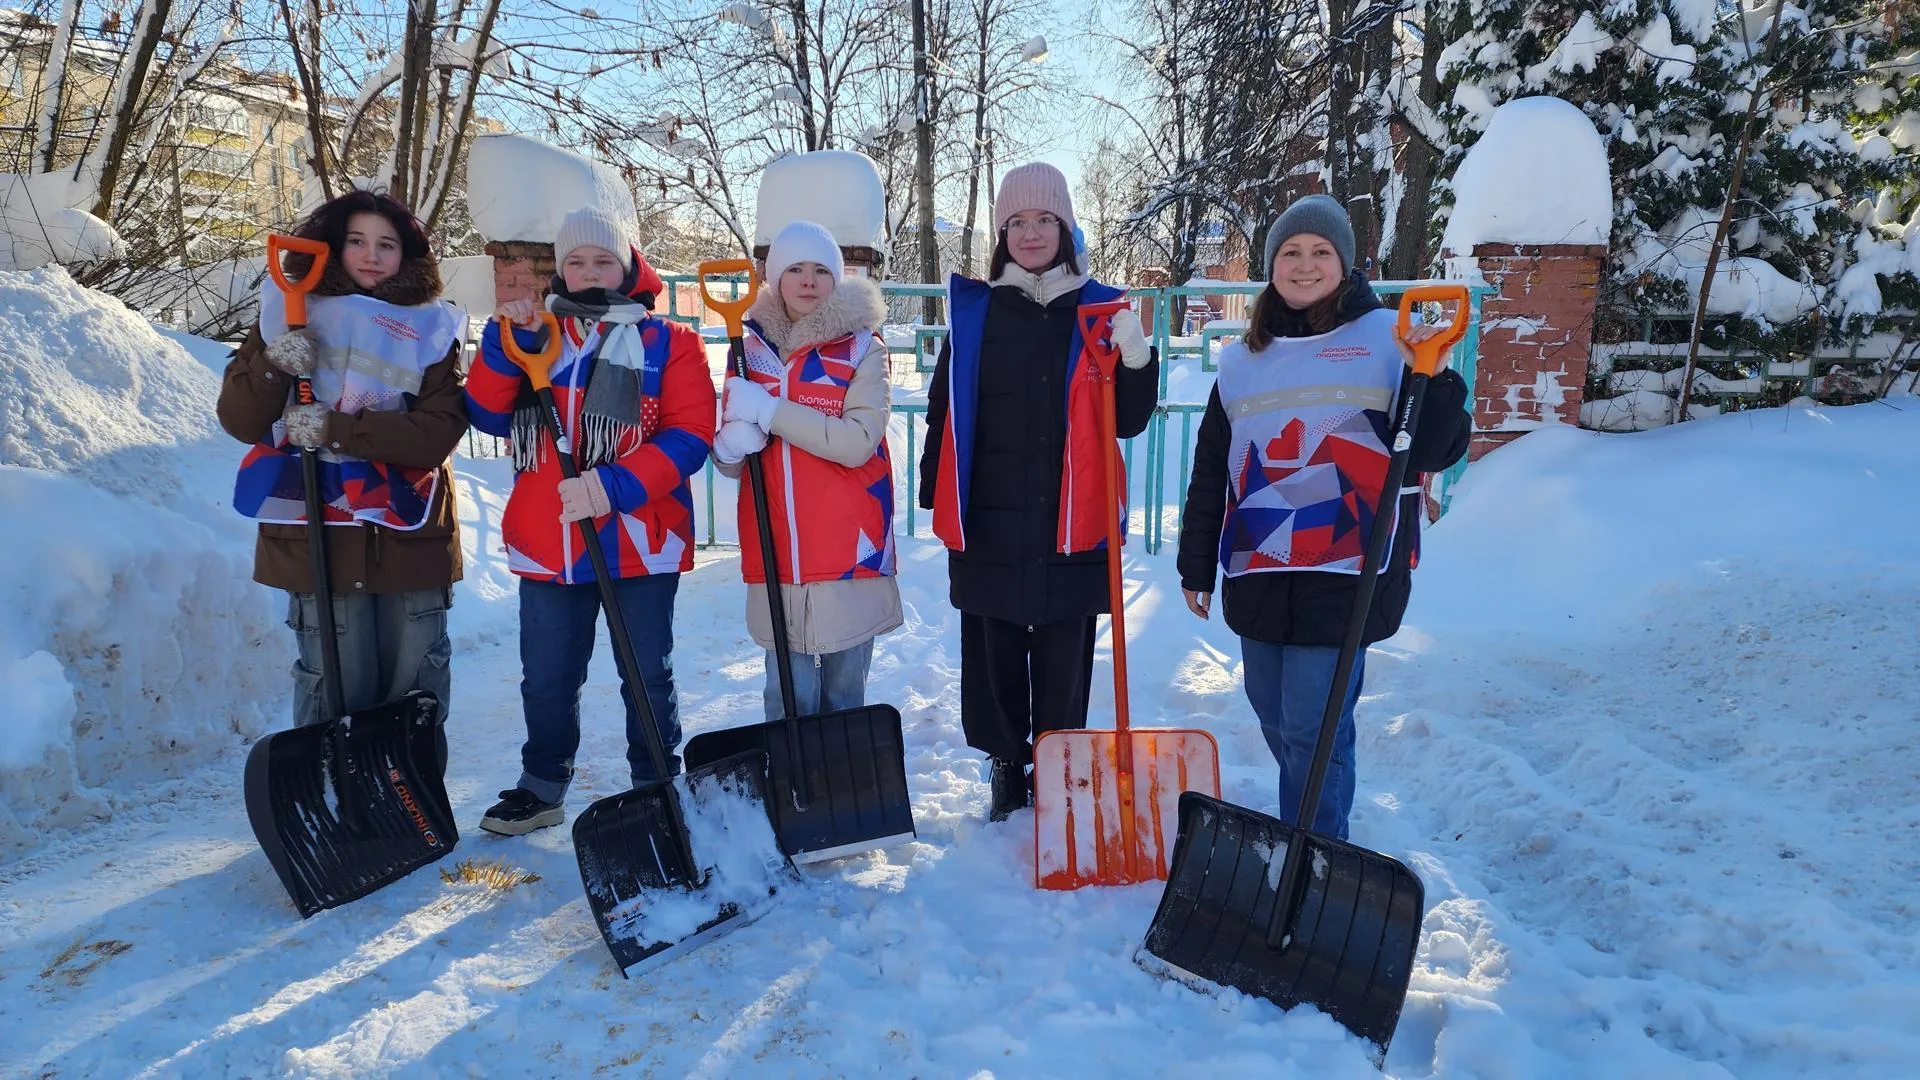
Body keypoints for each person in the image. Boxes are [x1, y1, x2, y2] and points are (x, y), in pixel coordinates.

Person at [1176, 194, 1472, 840]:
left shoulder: (1388, 341)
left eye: (1320, 252)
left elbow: (1435, 448)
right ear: (1270, 265)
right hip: (1262, 560)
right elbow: (1211, 470)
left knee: (1314, 724)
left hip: (1348, 565)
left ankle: (1313, 854)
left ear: (1345, 263)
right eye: (1290, 252)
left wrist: (1435, 375)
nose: (1304, 265)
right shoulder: (1243, 360)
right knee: (1275, 715)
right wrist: (1195, 563)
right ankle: (1312, 813)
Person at [917, 162, 1158, 821]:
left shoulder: (1099, 310)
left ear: (1066, 227)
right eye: (1016, 222)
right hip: (989, 511)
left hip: (1070, 513)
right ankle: (1006, 765)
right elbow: (947, 404)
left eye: (1043, 220)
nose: (1030, 233)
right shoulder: (976, 312)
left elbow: (1129, 419)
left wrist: (1136, 358)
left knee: (1063, 650)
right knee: (992, 647)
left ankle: (1058, 762)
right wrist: (932, 487)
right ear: (1001, 233)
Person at [464, 206, 715, 835]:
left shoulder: (669, 343)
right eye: (575, 261)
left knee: (645, 674)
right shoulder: (534, 334)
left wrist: (613, 486)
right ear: (561, 269)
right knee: (547, 676)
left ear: (629, 266)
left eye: (603, 260)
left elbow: (691, 436)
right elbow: (489, 417)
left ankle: (657, 783)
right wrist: (502, 350)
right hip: (550, 537)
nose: (589, 272)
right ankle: (543, 784)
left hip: (637, 535)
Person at [218, 189, 468, 734]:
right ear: (330, 246)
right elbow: (240, 421)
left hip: (407, 533)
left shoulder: (431, 328)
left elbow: (436, 433)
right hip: (317, 534)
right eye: (356, 241)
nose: (371, 255)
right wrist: (274, 363)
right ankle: (332, 804)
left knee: (415, 690)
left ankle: (409, 808)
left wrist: (338, 429)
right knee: (331, 684)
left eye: (387, 244)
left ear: (409, 256)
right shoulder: (284, 312)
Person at [712, 221, 903, 719]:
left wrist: (772, 412)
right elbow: (735, 460)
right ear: (774, 277)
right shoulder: (747, 351)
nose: (808, 280)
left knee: (843, 700)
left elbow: (858, 442)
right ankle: (794, 794)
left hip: (849, 549)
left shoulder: (864, 349)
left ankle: (844, 790)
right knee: (786, 699)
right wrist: (730, 449)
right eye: (794, 268)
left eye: (821, 269)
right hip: (777, 551)